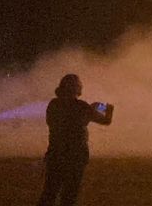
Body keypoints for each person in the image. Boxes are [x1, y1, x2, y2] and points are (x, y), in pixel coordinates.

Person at [38, 73, 111, 206]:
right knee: (69, 195)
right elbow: (106, 120)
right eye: (79, 84)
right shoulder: (81, 107)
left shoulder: (54, 104)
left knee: (49, 193)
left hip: (55, 154)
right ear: (76, 88)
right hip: (76, 157)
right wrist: (104, 106)